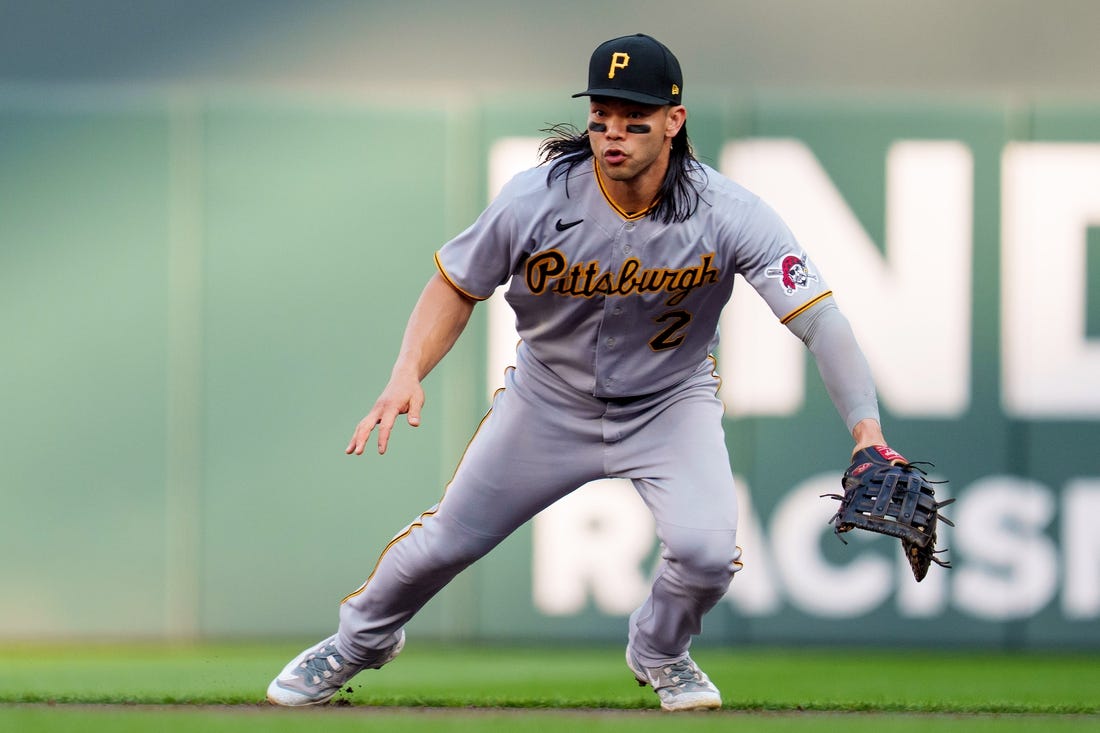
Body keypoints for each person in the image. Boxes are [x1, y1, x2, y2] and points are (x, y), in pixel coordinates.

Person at [267, 32, 890, 712]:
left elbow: (819, 320)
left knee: (707, 554)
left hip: (668, 403)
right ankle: (355, 644)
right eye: (601, 118)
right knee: (445, 542)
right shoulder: (535, 197)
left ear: (675, 122)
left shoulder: (729, 212)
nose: (612, 134)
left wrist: (867, 432)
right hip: (548, 400)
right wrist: (406, 369)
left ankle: (660, 650)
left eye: (634, 120)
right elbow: (456, 284)